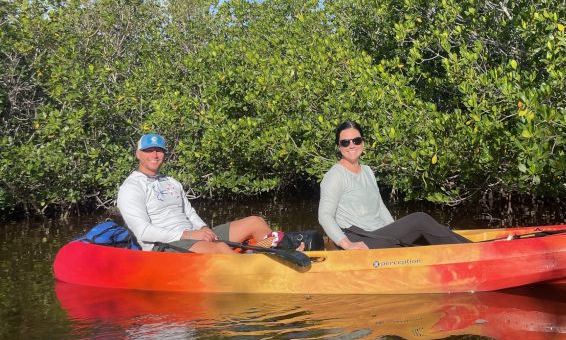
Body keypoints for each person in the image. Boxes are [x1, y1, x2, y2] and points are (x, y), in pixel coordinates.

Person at [117, 133, 301, 253]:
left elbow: (189, 213)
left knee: (255, 222)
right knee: (221, 248)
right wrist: (188, 235)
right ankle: (261, 268)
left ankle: (275, 255)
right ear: (138, 154)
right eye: (148, 150)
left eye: (159, 150)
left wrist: (203, 229)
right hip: (164, 246)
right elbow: (143, 232)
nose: (155, 155)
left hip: (192, 236)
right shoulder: (131, 187)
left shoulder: (171, 182)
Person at [318, 121, 471, 249]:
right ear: (339, 147)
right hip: (361, 238)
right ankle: (472, 250)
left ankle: (472, 248)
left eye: (356, 140)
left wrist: (398, 231)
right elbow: (325, 216)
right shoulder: (335, 175)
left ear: (363, 143)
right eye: (345, 142)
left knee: (425, 235)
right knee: (420, 220)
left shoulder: (367, 171)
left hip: (379, 234)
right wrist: (347, 244)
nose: (352, 145)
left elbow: (380, 207)